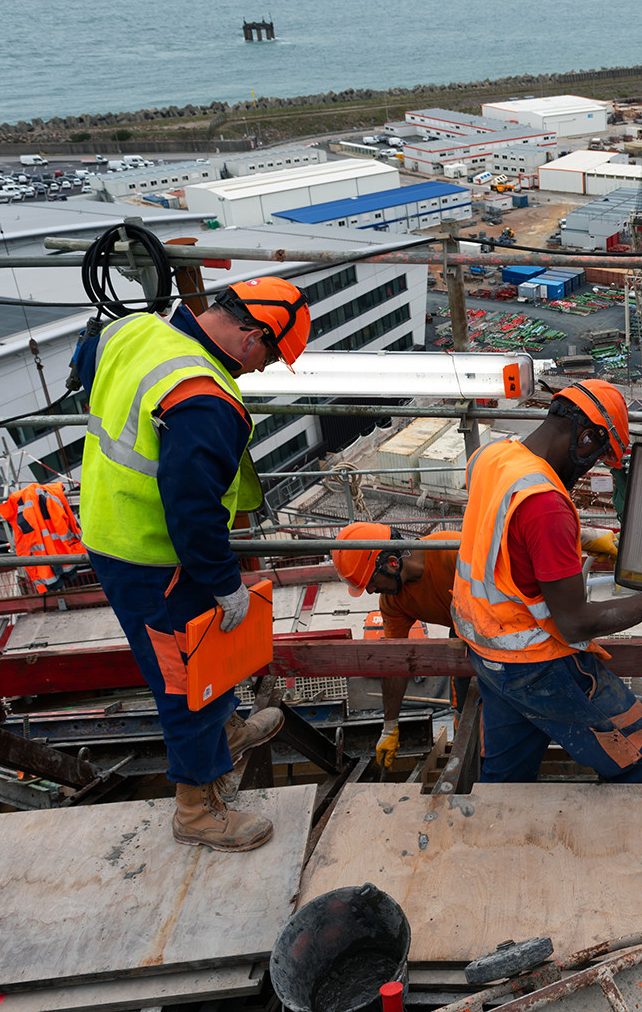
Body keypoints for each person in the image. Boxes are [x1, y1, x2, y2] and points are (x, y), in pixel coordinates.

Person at [76, 277, 311, 852]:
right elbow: (193, 509)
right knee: (185, 680)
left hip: (113, 528)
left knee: (207, 654)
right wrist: (223, 582)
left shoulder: (135, 330)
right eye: (269, 356)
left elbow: (87, 365)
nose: (260, 370)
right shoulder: (204, 397)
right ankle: (197, 808)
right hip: (156, 557)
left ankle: (224, 730)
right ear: (250, 334)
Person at [451, 379, 642, 784]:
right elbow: (576, 623)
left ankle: (493, 837)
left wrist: (580, 538)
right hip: (537, 669)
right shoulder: (546, 504)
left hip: (488, 654)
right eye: (596, 457)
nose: (586, 471)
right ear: (586, 437)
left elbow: (502, 529)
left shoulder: (491, 457)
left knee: (506, 777)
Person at [331, 522, 462, 770]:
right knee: (464, 698)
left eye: (371, 580)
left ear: (392, 562)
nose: (370, 590)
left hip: (504, 623)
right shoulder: (393, 601)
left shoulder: (452, 552)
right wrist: (389, 726)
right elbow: (396, 660)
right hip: (462, 626)